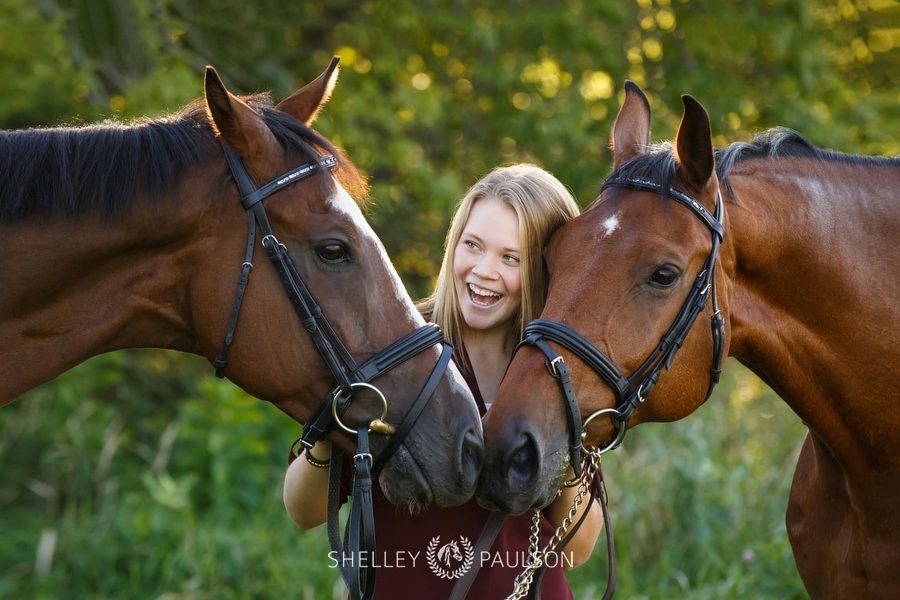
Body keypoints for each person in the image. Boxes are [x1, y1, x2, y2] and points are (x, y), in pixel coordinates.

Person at [283, 164, 602, 599]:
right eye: (473, 245)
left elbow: (577, 550)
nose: (483, 270)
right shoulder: (394, 346)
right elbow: (301, 512)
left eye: (511, 257)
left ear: (545, 268)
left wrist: (566, 437)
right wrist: (332, 423)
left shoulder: (559, 368)